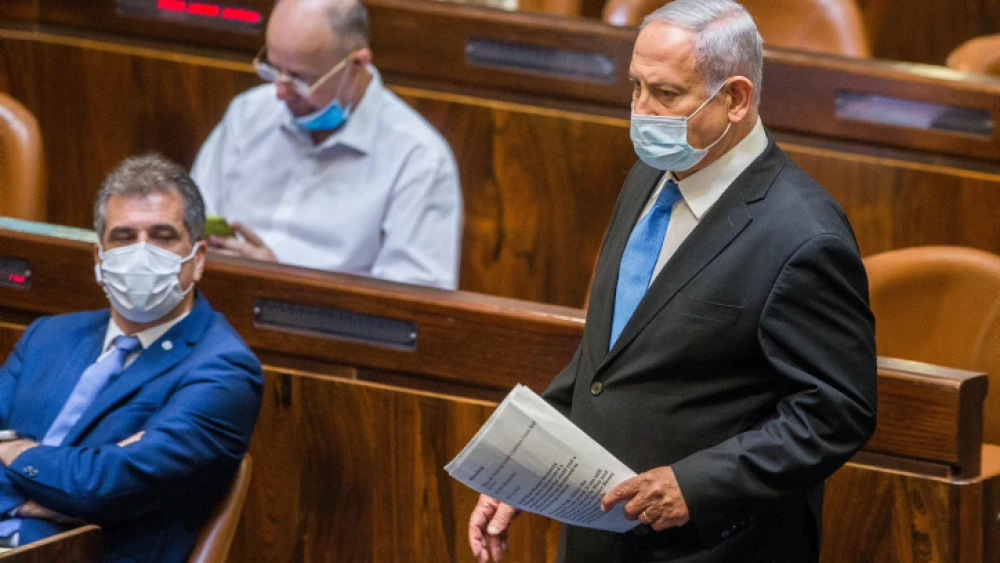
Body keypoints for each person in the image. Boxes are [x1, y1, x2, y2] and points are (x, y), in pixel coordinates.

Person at [467, 1, 877, 561]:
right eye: (635, 87)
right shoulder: (649, 176)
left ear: (735, 98)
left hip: (711, 545)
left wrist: (696, 484)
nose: (641, 112)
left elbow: (835, 412)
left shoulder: (804, 236)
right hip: (603, 535)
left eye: (665, 95)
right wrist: (524, 465)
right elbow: (609, 363)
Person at [0, 154, 263, 562]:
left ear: (198, 259)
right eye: (123, 237)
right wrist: (45, 494)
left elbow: (103, 485)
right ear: (99, 259)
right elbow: (93, 484)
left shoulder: (223, 370)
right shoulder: (47, 337)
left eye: (161, 236)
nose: (142, 253)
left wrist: (13, 452)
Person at [191, 0, 463, 290]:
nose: (281, 93)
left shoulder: (418, 158)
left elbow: (414, 308)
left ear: (356, 65)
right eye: (273, 69)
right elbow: (190, 221)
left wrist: (283, 284)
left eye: (300, 78)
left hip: (320, 331)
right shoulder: (249, 114)